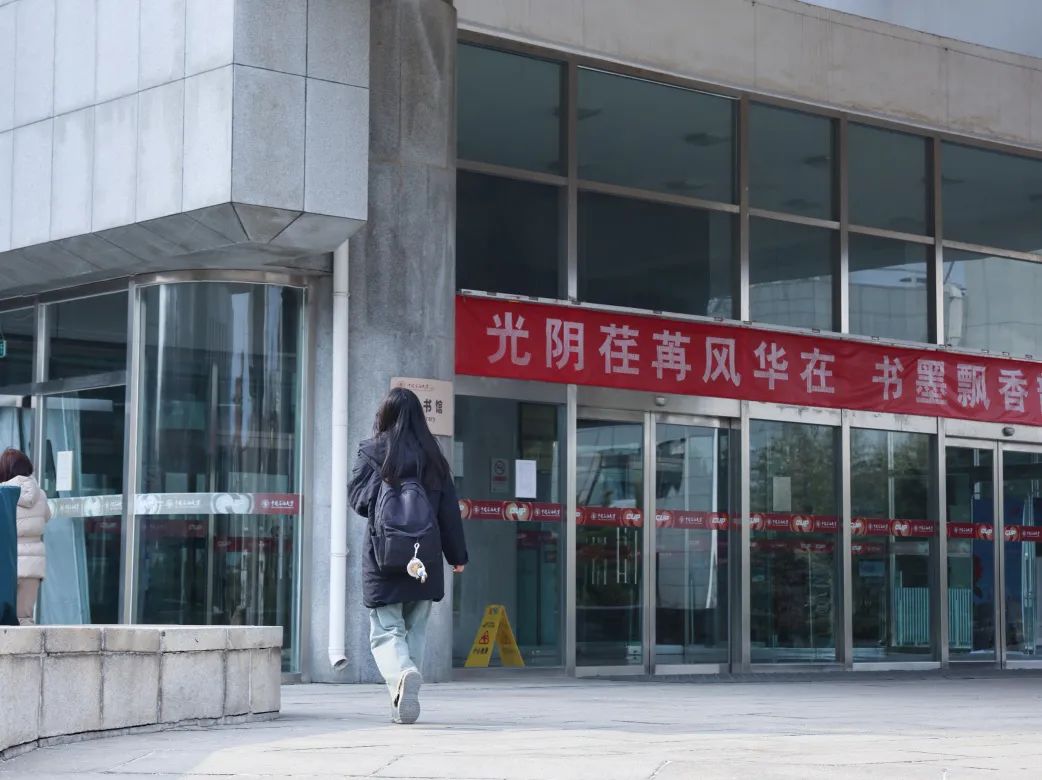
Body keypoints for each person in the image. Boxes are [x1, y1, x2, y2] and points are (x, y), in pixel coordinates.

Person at [349, 388, 468, 724]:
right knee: (415, 629)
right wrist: (456, 555)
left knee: (387, 630)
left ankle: (402, 675)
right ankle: (402, 694)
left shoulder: (372, 451)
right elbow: (449, 512)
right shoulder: (434, 457)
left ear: (384, 415)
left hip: (384, 554)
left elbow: (358, 500)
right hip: (424, 557)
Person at [0, 448, 51, 626]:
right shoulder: (40, 494)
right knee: (24, 619)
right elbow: (47, 516)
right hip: (33, 563)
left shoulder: (3, 494)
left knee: (3, 621)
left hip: (7, 561)